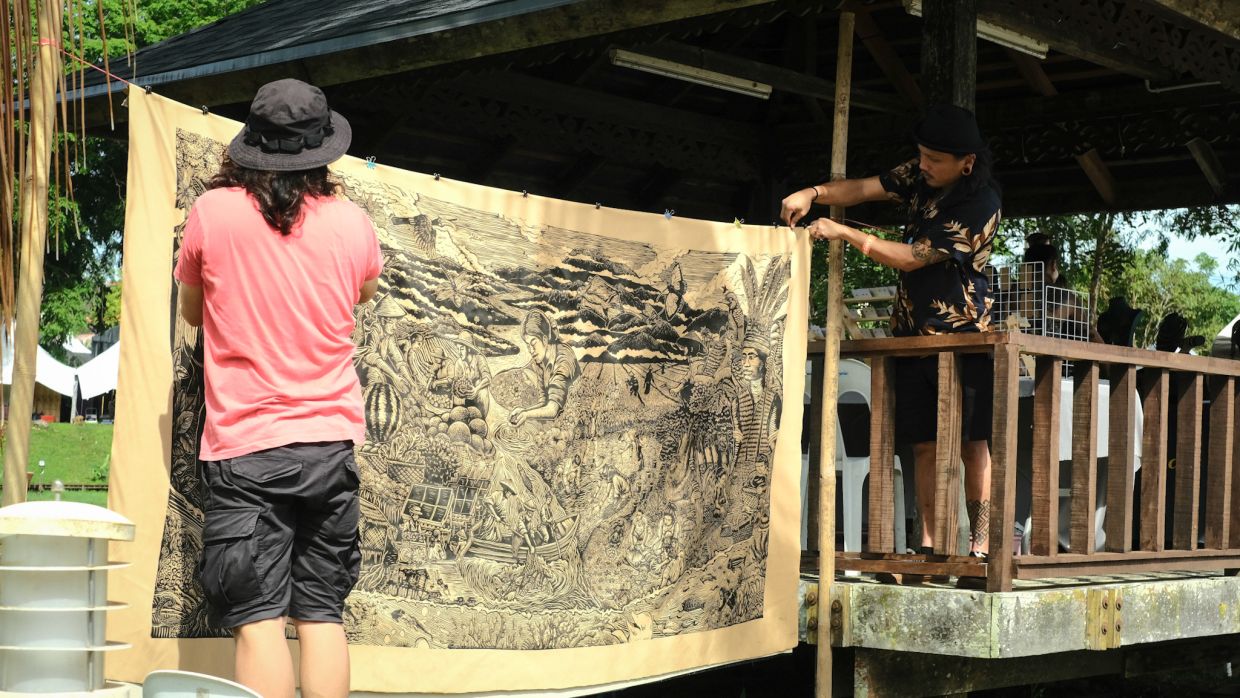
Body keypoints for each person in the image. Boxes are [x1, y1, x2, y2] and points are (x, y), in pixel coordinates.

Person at [175, 78, 381, 698]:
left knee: (259, 619)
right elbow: (363, 292)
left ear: (252, 145)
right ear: (322, 150)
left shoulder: (213, 212)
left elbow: (192, 312)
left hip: (247, 448)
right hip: (329, 445)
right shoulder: (353, 222)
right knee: (322, 614)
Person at [780, 104, 1002, 559]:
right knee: (924, 445)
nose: (924, 165)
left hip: (965, 338)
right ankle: (930, 544)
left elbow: (912, 257)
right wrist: (812, 192)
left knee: (971, 443)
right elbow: (864, 188)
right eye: (921, 155)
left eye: (934, 159)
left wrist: (845, 233)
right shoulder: (920, 174)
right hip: (910, 338)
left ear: (967, 161)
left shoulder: (982, 203)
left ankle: (980, 543)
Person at [508, 310, 581, 426]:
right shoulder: (540, 362)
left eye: (533, 343)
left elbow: (552, 409)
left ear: (545, 340)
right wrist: (524, 411)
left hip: (575, 419)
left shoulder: (564, 357)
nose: (531, 350)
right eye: (528, 345)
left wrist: (527, 415)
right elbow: (544, 402)